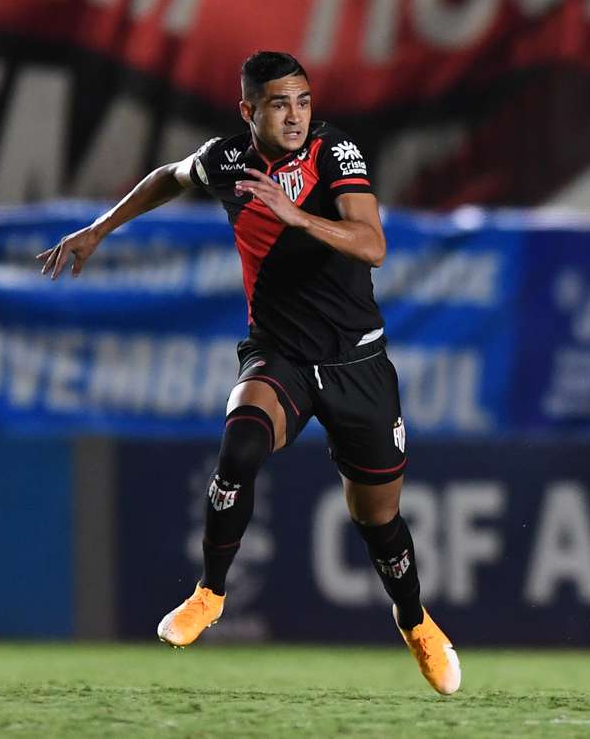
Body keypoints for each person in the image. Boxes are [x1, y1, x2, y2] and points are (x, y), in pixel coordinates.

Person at [39, 51, 459, 696]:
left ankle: (414, 620)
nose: (295, 116)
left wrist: (298, 216)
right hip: (279, 353)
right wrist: (101, 228)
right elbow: (169, 176)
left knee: (378, 519)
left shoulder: (335, 153)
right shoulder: (226, 160)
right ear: (248, 111)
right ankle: (210, 593)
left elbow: (373, 244)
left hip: (358, 363)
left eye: (303, 102)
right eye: (279, 104)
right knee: (239, 445)